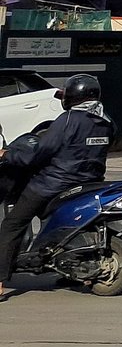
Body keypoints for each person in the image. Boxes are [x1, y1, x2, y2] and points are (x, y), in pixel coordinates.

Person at [0, 74, 115, 299]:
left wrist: (10, 155)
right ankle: (69, 268)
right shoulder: (106, 119)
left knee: (13, 224)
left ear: (74, 96)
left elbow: (38, 155)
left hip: (53, 183)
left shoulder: (68, 120)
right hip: (90, 182)